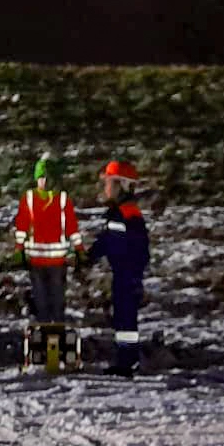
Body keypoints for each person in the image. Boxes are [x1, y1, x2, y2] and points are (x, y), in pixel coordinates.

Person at [87, 160, 149, 377]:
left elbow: (138, 248)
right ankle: (126, 360)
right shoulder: (118, 213)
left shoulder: (128, 214)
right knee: (123, 319)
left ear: (121, 185)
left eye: (109, 183)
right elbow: (107, 240)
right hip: (122, 274)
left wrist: (133, 275)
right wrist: (89, 257)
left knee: (126, 320)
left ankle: (128, 361)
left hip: (126, 275)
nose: (106, 188)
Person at [13, 154, 83, 329]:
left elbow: (72, 228)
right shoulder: (32, 199)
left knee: (55, 304)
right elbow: (21, 227)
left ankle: (54, 341)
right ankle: (48, 340)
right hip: (41, 262)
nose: (42, 181)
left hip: (54, 262)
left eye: (45, 177)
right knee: (45, 303)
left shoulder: (61, 200)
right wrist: (19, 249)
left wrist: (79, 249)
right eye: (41, 178)